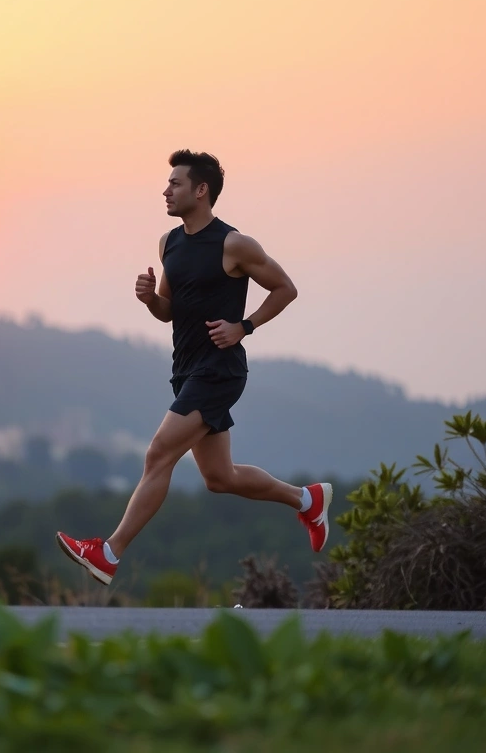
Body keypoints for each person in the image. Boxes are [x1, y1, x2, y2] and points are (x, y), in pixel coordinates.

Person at [56, 149, 332, 586]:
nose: (166, 191)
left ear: (201, 191)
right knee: (220, 478)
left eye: (175, 183)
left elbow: (286, 288)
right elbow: (168, 310)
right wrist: (150, 298)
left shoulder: (233, 244)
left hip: (219, 371)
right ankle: (306, 500)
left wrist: (244, 326)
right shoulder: (170, 243)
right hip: (185, 370)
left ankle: (109, 552)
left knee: (158, 453)